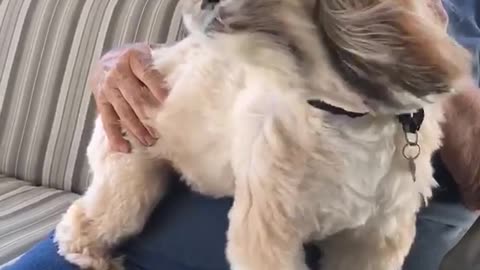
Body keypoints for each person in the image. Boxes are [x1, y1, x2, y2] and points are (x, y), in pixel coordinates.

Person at [6, 0, 480, 269]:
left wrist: (438, 86)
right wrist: (125, 62)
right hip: (208, 177)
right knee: (109, 217)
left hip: (376, 159)